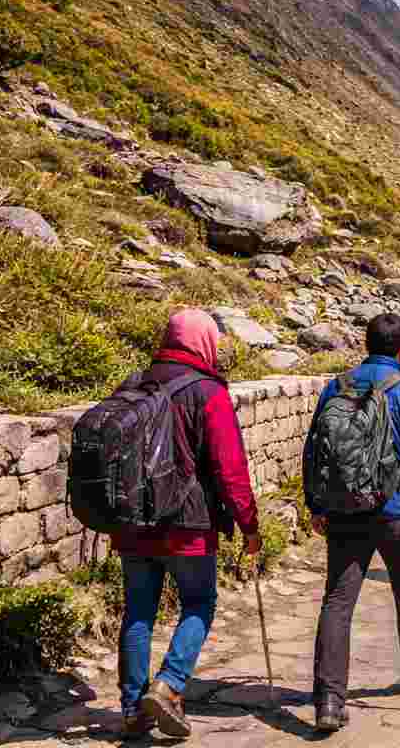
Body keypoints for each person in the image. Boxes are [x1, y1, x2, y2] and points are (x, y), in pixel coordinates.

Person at [112, 309, 260, 739]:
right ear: (204, 342)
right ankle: (170, 685)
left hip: (133, 522)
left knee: (138, 611)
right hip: (187, 523)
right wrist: (248, 524)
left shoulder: (133, 384)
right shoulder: (207, 392)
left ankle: (131, 710)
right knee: (198, 603)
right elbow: (229, 467)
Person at [307, 315, 400, 732]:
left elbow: (314, 447)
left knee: (338, 600)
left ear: (365, 343)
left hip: (343, 510)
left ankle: (329, 701)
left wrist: (315, 503)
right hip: (396, 511)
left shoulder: (338, 386)